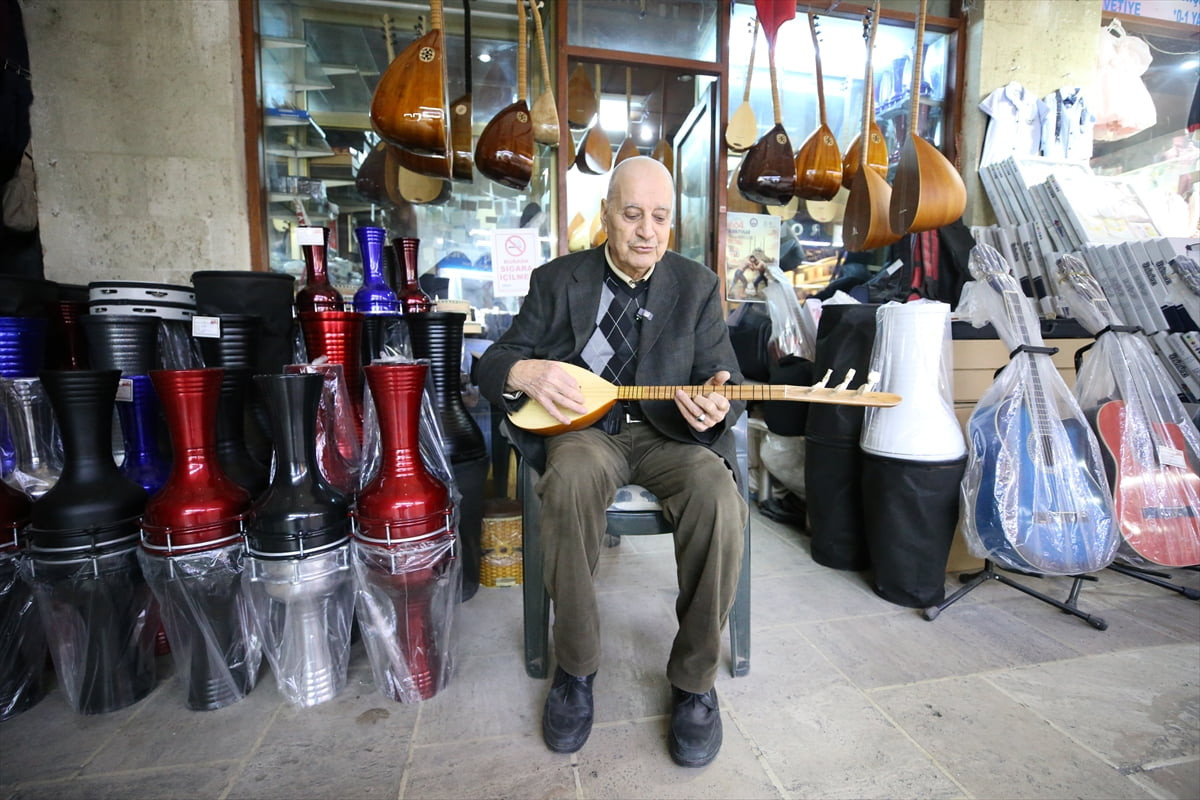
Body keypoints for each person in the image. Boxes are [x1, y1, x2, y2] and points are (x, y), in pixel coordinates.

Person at [475, 157, 747, 768]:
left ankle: (695, 681)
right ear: (606, 217)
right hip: (587, 433)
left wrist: (714, 407)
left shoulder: (697, 285)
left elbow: (728, 383)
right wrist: (524, 369)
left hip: (670, 437)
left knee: (719, 499)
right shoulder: (557, 280)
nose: (646, 231)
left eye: (659, 217)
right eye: (631, 215)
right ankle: (575, 668)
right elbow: (492, 362)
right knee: (565, 482)